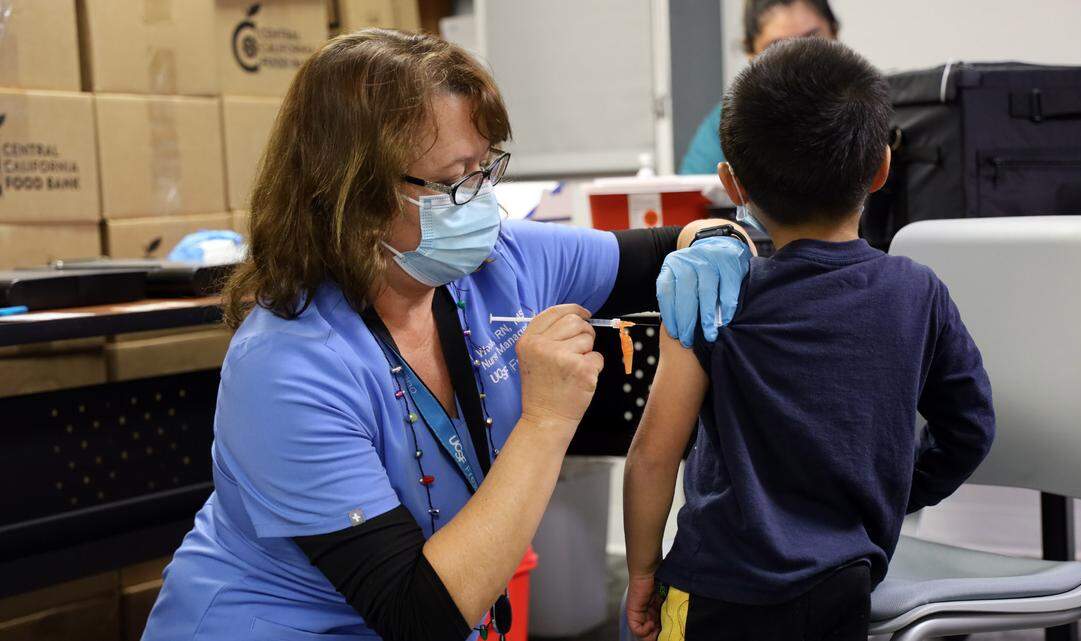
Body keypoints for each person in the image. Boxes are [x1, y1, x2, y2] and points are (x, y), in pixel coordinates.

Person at [140, 29, 753, 641]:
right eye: (455, 180)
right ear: (355, 193)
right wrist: (547, 420)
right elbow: (417, 615)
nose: (482, 203)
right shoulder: (288, 368)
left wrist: (721, 240)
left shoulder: (495, 264)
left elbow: (656, 250)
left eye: (487, 169)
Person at [624, 38, 996, 641]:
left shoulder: (712, 294)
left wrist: (642, 576)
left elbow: (652, 455)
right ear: (881, 169)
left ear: (733, 185)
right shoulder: (917, 292)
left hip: (713, 589)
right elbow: (970, 429)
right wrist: (897, 490)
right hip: (842, 584)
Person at [679, 0, 840, 175]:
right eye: (778, 47)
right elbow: (690, 196)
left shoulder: (867, 107)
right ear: (751, 53)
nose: (798, 60)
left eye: (811, 40)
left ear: (834, 33)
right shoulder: (729, 125)